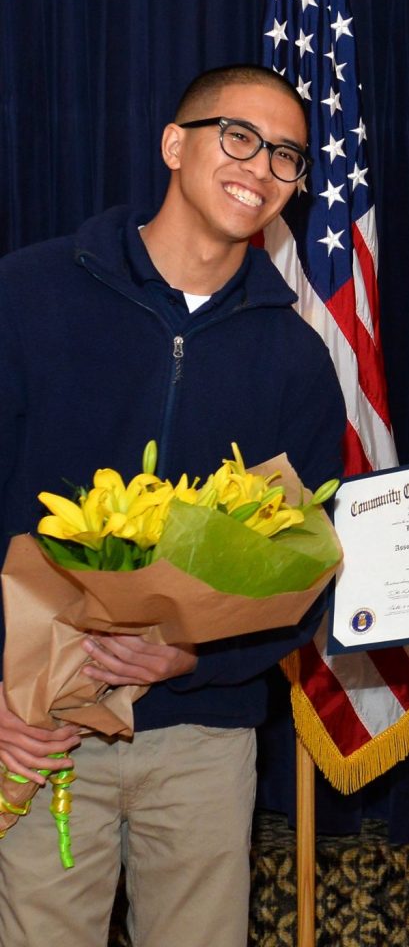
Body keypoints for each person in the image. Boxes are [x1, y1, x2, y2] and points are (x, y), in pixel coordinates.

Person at [0, 64, 345, 947]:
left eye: (287, 157)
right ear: (173, 144)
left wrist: (192, 659)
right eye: (238, 136)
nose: (260, 167)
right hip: (39, 724)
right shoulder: (28, 295)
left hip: (204, 736)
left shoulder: (298, 360)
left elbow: (304, 572)